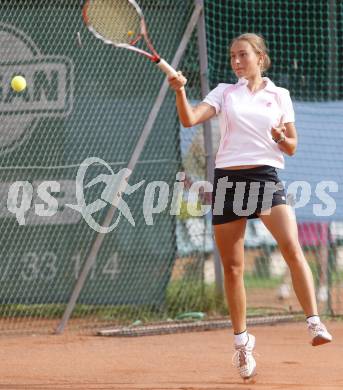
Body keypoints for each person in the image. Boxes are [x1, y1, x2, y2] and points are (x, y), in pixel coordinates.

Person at [168, 33, 332, 380]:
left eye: (243, 55)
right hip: (228, 180)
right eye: (232, 57)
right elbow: (190, 119)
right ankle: (242, 345)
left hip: (265, 178)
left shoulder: (280, 96)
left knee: (292, 248)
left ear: (260, 57)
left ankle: (314, 323)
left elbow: (292, 146)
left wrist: (279, 137)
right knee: (233, 268)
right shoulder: (225, 93)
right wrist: (180, 90)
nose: (237, 62)